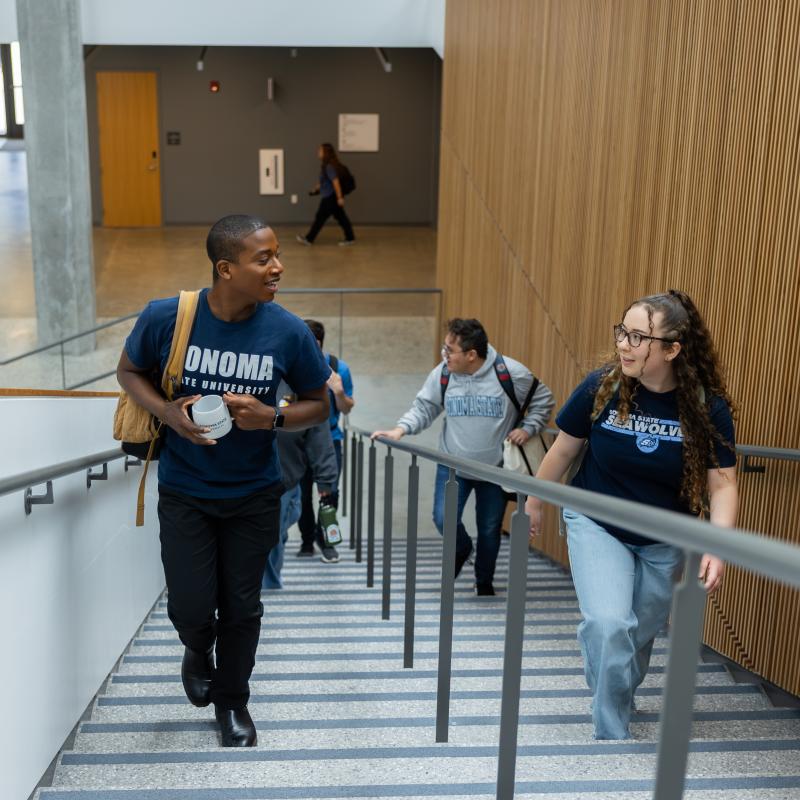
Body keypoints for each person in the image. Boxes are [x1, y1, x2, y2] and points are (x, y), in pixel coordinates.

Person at [116, 215, 329, 747]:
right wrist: (168, 412)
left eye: (278, 254)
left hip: (254, 492)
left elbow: (319, 404)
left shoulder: (288, 330)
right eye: (264, 258)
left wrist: (271, 417)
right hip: (186, 490)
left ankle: (233, 702)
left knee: (243, 607)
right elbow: (129, 372)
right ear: (226, 268)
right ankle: (196, 644)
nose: (278, 266)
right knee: (189, 604)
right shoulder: (167, 317)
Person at [526, 289, 738, 740]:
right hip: (597, 520)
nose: (624, 343)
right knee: (608, 624)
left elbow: (723, 483)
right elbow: (564, 447)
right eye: (623, 331)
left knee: (635, 635)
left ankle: (615, 690)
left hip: (665, 535)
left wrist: (718, 548)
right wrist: (534, 500)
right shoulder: (602, 385)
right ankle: (611, 732)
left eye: (638, 336)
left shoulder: (704, 405)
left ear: (672, 348)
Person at [372, 318, 554, 595]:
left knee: (490, 528)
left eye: (449, 351)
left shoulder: (511, 373)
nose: (444, 356)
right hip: (453, 466)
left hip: (495, 469)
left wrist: (528, 428)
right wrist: (400, 430)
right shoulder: (443, 374)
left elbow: (544, 399)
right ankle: (462, 547)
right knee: (443, 518)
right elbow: (424, 407)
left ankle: (484, 583)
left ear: (471, 355)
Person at [264, 388, 340, 588]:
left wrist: (325, 479)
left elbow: (318, 431)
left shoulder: (299, 378)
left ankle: (267, 590)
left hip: (284, 480)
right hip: (242, 474)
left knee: (272, 536)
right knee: (268, 537)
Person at [296, 318, 354, 563]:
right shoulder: (294, 365)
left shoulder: (338, 368)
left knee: (329, 493)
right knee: (302, 494)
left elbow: (347, 408)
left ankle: (327, 541)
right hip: (299, 441)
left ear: (316, 342)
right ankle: (307, 541)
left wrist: (338, 391)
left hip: (330, 440)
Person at [296, 143, 356, 246]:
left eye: (320, 150)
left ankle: (309, 239)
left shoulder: (329, 167)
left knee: (320, 218)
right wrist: (315, 190)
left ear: (326, 153)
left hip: (330, 197)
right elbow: (324, 182)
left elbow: (335, 183)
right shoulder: (327, 166)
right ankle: (350, 238)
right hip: (330, 196)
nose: (318, 152)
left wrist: (340, 198)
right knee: (341, 218)